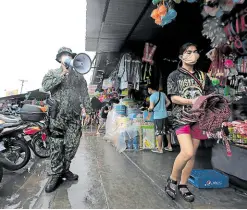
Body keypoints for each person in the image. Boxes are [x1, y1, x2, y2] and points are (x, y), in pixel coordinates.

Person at [166, 43, 215, 202]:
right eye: (188, 52)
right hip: (181, 117)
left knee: (191, 154)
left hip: (198, 119)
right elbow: (173, 98)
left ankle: (183, 184)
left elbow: (210, 94)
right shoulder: (174, 75)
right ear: (182, 56)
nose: (192, 55)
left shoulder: (203, 76)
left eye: (195, 52)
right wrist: (191, 100)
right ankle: (172, 180)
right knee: (186, 151)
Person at [42, 47, 92, 193]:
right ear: (59, 59)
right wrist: (63, 74)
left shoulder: (79, 77)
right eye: (65, 55)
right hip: (57, 116)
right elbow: (45, 86)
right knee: (56, 146)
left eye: (69, 55)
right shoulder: (52, 73)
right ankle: (55, 175)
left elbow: (84, 95)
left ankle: (65, 169)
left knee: (72, 145)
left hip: (74, 117)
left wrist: (88, 111)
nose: (68, 57)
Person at [146, 84, 171, 153]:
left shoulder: (152, 96)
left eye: (148, 89)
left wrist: (148, 109)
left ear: (150, 89)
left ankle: (159, 149)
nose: (148, 91)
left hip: (158, 116)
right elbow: (169, 102)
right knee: (167, 131)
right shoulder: (162, 93)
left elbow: (151, 107)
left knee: (159, 132)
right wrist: (163, 107)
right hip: (165, 115)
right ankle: (169, 146)